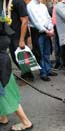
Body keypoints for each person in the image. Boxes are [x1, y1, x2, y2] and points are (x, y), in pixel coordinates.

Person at [0, 3, 33, 131]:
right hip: (3, 55)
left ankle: (25, 122)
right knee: (6, 91)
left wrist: (22, 40)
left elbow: (24, 21)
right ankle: (3, 117)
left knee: (6, 93)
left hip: (2, 59)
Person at [26, 0, 58, 81]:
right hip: (37, 32)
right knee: (40, 53)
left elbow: (48, 18)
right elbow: (35, 22)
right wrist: (47, 31)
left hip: (47, 31)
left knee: (47, 52)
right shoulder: (30, 6)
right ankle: (43, 72)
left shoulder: (43, 6)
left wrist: (51, 28)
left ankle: (48, 69)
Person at [8, 0, 34, 81]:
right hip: (11, 34)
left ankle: (29, 76)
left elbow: (25, 20)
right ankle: (25, 74)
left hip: (18, 35)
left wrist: (22, 39)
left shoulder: (19, 2)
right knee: (15, 57)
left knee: (21, 57)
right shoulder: (6, 2)